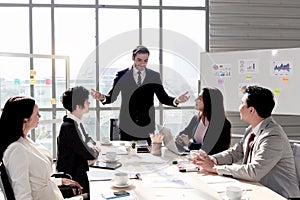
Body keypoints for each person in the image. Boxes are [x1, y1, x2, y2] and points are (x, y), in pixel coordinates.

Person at [191, 86, 299, 198]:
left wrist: (215, 168)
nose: (239, 107)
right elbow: (236, 152)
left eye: (241, 103)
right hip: (259, 189)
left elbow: (254, 171)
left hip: (280, 195)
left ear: (251, 110)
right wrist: (212, 159)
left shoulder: (273, 136)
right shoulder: (252, 129)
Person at [91, 45, 190, 145]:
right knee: (127, 156)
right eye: (139, 60)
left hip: (146, 126)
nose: (142, 63)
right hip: (126, 126)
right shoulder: (122, 75)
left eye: (145, 60)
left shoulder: (154, 76)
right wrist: (102, 97)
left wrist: (177, 100)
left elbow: (163, 98)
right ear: (133, 58)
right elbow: (112, 97)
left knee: (147, 156)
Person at [0, 96, 84, 200]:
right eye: (36, 113)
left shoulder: (26, 142)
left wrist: (60, 181)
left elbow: (36, 181)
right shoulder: (17, 149)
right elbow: (22, 195)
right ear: (25, 119)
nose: (39, 116)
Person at [57, 86, 100, 198]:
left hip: (79, 169)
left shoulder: (76, 123)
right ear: (78, 106)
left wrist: (92, 147)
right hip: (74, 177)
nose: (89, 103)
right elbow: (90, 153)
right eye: (86, 101)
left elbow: (89, 140)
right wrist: (94, 150)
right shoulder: (69, 127)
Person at [175, 87, 231, 154]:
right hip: (195, 158)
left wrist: (189, 144)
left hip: (211, 162)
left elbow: (211, 149)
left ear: (209, 102)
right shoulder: (196, 119)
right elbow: (185, 132)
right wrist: (180, 139)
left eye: (200, 98)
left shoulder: (223, 125)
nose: (196, 100)